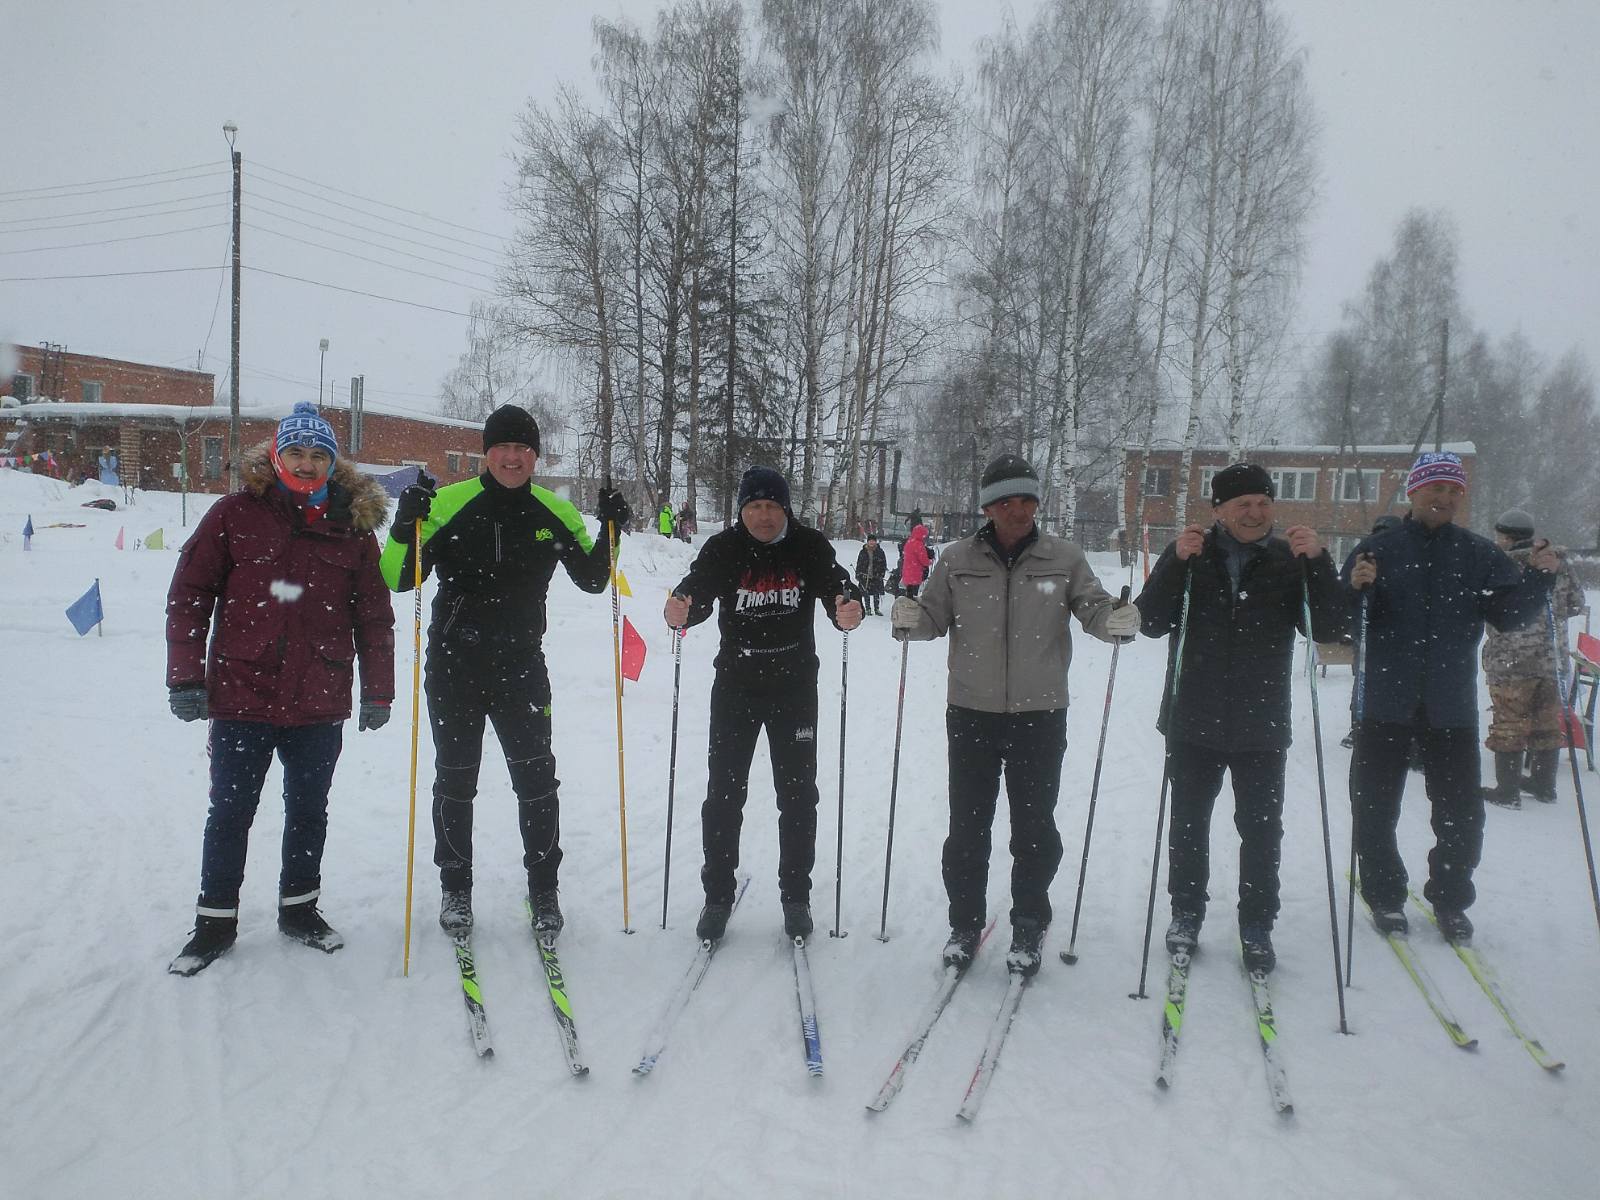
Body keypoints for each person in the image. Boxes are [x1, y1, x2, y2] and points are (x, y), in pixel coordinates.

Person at [380, 404, 632, 940]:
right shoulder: (448, 504)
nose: (512, 458)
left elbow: (592, 580)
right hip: (455, 663)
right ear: (485, 453)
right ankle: (455, 890)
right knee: (455, 778)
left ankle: (544, 890)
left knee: (537, 779)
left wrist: (611, 531)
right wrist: (405, 525)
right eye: (503, 448)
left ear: (535, 456)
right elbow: (399, 578)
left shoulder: (552, 512)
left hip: (521, 664)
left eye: (523, 449)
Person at [165, 402, 395, 975]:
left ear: (332, 463)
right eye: (297, 452)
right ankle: (214, 923)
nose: (308, 464)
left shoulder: (352, 529)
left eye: (319, 455)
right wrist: (186, 676)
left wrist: (379, 691)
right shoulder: (233, 514)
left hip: (320, 694)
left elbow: (373, 615)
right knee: (231, 811)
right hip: (244, 691)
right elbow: (190, 594)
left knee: (308, 810)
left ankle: (300, 911)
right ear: (276, 455)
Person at [891, 453, 1139, 976]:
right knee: (967, 828)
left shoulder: (1064, 557)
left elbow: (1091, 607)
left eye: (1027, 499)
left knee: (1033, 828)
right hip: (971, 711)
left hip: (1040, 713)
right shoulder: (957, 558)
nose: (1019, 509)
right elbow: (933, 616)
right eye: (1007, 500)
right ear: (988, 506)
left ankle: (1029, 922)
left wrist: (1114, 620)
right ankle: (965, 923)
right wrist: (910, 619)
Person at [1136, 464, 1347, 973]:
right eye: (1242, 505)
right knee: (1188, 826)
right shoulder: (1190, 553)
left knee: (1261, 829)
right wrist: (1172, 565)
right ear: (1219, 512)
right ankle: (1186, 913)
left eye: (1263, 503)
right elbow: (1150, 622)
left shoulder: (1287, 558)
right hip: (1192, 717)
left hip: (1261, 723)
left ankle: (1257, 922)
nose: (1255, 513)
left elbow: (1330, 628)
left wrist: (1318, 564)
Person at [1344, 451, 1560, 944]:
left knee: (1461, 813)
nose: (1443, 498)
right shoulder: (1379, 547)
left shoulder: (1477, 552)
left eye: (1453, 491)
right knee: (1375, 807)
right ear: (1413, 493)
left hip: (1450, 706)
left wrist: (1540, 579)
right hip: (1385, 704)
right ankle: (1384, 893)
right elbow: (1346, 618)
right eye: (1434, 488)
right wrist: (1357, 589)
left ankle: (1450, 897)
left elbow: (1508, 614)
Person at [663, 465, 863, 942]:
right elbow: (700, 588)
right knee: (724, 796)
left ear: (786, 509)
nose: (764, 515)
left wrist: (846, 605)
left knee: (797, 797)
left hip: (794, 689)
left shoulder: (807, 546)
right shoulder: (725, 548)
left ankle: (796, 897)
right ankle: (717, 896)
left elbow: (836, 585)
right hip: (736, 688)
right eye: (754, 506)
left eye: (773, 506)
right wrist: (683, 604)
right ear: (741, 510)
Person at [1481, 508, 1586, 808]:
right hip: (1552, 660)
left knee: (1509, 723)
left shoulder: (1502, 564)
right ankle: (1543, 784)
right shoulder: (1557, 563)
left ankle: (1507, 790)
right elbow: (1576, 604)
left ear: (1506, 536)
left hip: (1511, 661)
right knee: (1546, 722)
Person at [856, 533, 887, 616]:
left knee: (876, 593)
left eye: (873, 541)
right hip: (865, 575)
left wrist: (881, 573)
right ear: (867, 542)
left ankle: (876, 609)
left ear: (876, 542)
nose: (872, 543)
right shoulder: (863, 551)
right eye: (870, 541)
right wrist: (858, 574)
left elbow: (884, 564)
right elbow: (859, 563)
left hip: (876, 575)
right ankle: (868, 609)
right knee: (866, 592)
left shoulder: (880, 552)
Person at [899, 522, 932, 598]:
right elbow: (924, 560)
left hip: (907, 570)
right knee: (914, 594)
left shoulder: (909, 542)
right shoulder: (919, 544)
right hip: (915, 572)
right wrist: (930, 562)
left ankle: (907, 605)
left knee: (909, 592)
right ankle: (911, 607)